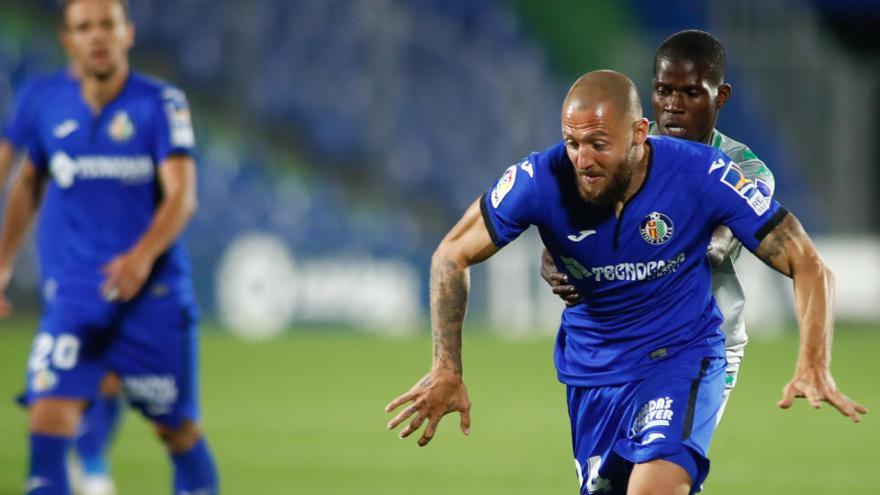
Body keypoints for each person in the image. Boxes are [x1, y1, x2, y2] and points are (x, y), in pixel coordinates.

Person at [386, 70, 867, 494]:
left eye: (598, 143)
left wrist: (813, 361)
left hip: (681, 357)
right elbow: (451, 254)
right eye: (573, 143)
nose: (582, 159)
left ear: (639, 133)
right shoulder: (539, 179)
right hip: (593, 376)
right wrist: (447, 367)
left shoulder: (700, 173)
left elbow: (807, 262)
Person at [0, 1, 218, 494]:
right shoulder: (43, 99)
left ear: (128, 34)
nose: (97, 36)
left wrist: (141, 257)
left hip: (152, 298)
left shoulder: (160, 104)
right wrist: (2, 264)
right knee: (48, 420)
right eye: (84, 27)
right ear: (67, 40)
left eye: (107, 25)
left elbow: (182, 196)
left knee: (178, 431)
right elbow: (25, 183)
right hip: (75, 296)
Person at [541, 30, 774, 422]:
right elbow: (572, 221)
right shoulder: (619, 153)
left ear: (721, 96)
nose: (673, 106)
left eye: (690, 92)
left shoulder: (743, 169)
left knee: (663, 468)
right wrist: (556, 258)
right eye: (664, 91)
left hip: (704, 346)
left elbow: (719, 244)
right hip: (620, 345)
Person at [2, 65, 124, 495]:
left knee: (113, 371)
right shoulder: (42, 93)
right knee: (75, 355)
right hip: (65, 247)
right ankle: (87, 470)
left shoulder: (134, 96)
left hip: (118, 244)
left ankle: (87, 458)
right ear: (68, 36)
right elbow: (9, 157)